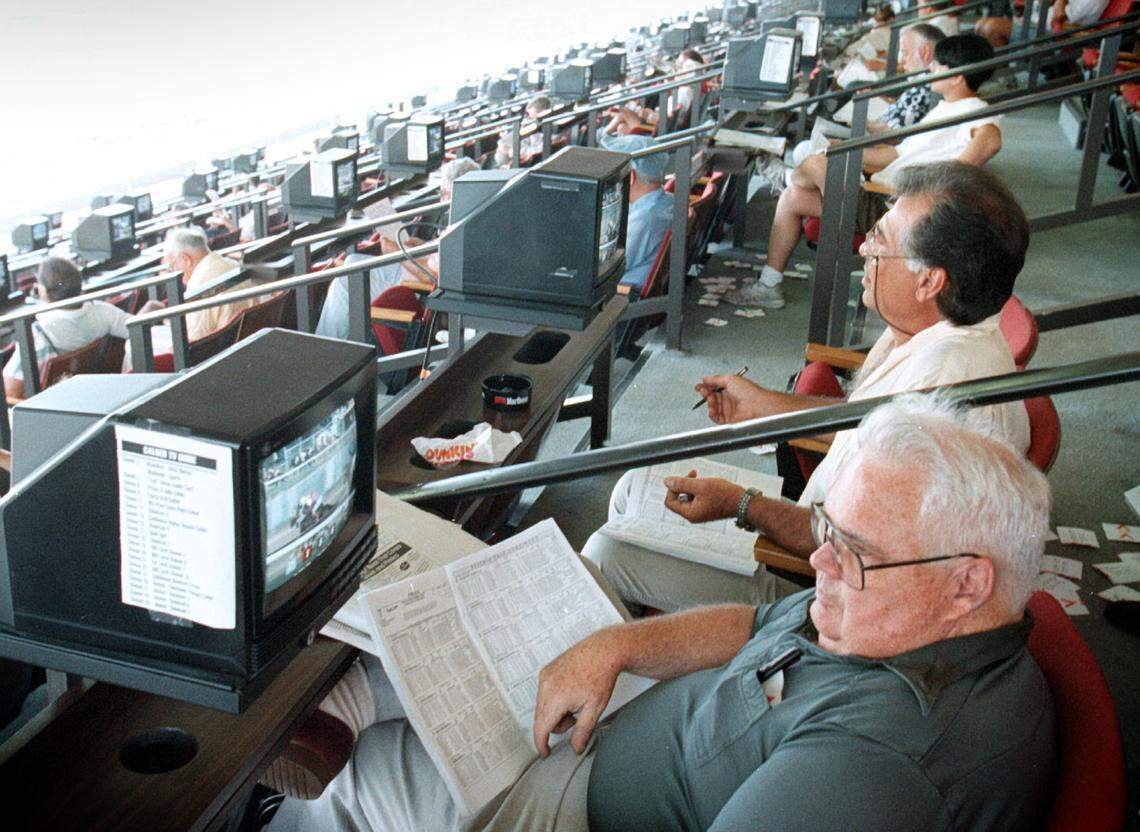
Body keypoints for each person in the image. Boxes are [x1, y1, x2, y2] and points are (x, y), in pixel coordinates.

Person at [269, 394, 1057, 832]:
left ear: (966, 584)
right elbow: (754, 628)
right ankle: (361, 698)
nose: (819, 561)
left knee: (358, 782)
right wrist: (615, 643)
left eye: (850, 548)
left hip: (583, 804)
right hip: (655, 726)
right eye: (826, 532)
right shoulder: (893, 615)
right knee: (494, 606)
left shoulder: (873, 769)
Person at [582, 162, 1031, 611]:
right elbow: (865, 430)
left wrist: (742, 505)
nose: (867, 249)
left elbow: (855, 551)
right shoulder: (935, 335)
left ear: (929, 280)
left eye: (881, 239)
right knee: (632, 487)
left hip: (821, 591)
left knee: (607, 554)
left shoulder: (941, 391)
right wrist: (763, 407)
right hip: (814, 524)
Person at [730, 34, 1001, 309]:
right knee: (793, 196)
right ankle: (768, 285)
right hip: (881, 192)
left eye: (938, 65)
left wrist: (938, 186)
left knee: (814, 164)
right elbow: (895, 155)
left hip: (894, 205)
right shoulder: (947, 107)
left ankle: (789, 175)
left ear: (957, 75)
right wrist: (848, 149)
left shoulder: (975, 111)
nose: (931, 69)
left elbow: (991, 140)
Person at [314, 157, 481, 341]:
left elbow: (431, 275)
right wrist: (409, 242)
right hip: (418, 272)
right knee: (352, 261)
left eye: (444, 193)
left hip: (418, 287)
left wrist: (395, 249)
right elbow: (437, 251)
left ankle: (328, 345)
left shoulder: (460, 227)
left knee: (345, 277)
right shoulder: (472, 217)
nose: (442, 199)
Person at [3, 256, 161, 399]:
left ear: (43, 290)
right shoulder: (103, 312)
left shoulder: (38, 334)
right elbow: (137, 327)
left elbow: (10, 392)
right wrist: (150, 306)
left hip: (58, 407)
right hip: (99, 396)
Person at [599, 134, 674, 294]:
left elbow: (606, 267)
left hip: (622, 296)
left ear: (630, 176)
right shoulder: (668, 202)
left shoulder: (645, 218)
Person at [162, 226, 261, 341]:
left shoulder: (199, 287)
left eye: (171, 266)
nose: (172, 271)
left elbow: (193, 340)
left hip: (226, 350)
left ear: (185, 259)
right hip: (250, 341)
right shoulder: (234, 265)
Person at [976, 0, 1110, 48]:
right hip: (1035, 20)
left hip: (1051, 34)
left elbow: (1058, 19)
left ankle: (1003, 73)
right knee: (980, 26)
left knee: (990, 28)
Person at [495, 95, 554, 167]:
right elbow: (506, 139)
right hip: (519, 150)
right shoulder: (531, 124)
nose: (528, 117)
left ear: (543, 112)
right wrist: (502, 145)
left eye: (530, 115)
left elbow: (535, 151)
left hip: (526, 161)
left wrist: (510, 151)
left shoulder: (545, 129)